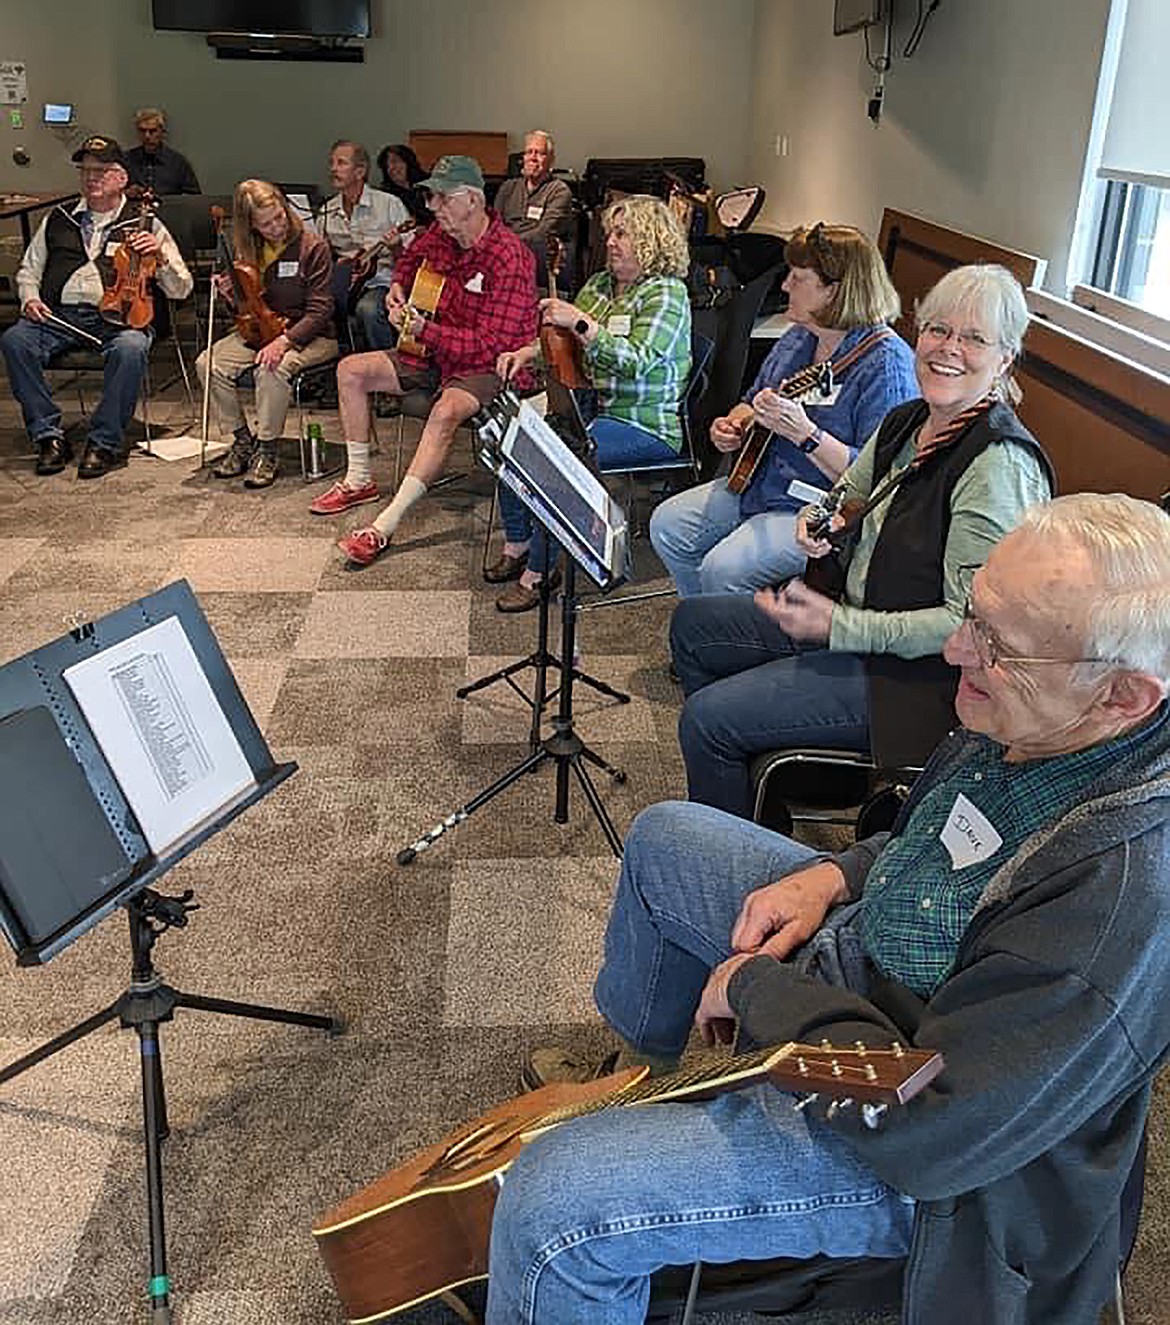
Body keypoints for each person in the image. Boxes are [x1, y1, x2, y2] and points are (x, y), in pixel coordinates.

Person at [489, 492, 1170, 1325]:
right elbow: (949, 844)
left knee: (557, 1202)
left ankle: (625, 1191)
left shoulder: (1117, 897)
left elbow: (926, 1125)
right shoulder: (1047, 713)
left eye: (996, 644)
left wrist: (754, 991)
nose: (958, 647)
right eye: (972, 617)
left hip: (930, 1153)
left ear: (1124, 696)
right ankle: (657, 1088)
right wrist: (838, 874)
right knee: (667, 839)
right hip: (869, 982)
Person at [672, 264, 1054, 819]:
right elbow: (846, 491)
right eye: (938, 330)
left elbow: (968, 625)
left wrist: (839, 625)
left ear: (1004, 360)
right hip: (853, 622)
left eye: (974, 338)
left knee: (707, 720)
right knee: (694, 627)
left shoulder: (997, 467)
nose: (949, 348)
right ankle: (778, 785)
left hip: (915, 681)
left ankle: (745, 846)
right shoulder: (910, 419)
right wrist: (815, 519)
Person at [649, 223, 918, 596]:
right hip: (762, 485)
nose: (785, 286)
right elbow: (754, 399)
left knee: (722, 568)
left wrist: (807, 435)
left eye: (798, 277)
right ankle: (708, 629)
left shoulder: (887, 366)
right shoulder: (800, 336)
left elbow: (881, 479)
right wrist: (732, 424)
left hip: (821, 511)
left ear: (834, 291)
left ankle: (726, 638)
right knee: (668, 524)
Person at [307, 155, 539, 566]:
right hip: (433, 350)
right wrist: (398, 284)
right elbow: (413, 259)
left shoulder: (510, 257)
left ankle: (384, 525)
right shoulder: (442, 233)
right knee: (350, 370)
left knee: (446, 409)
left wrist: (422, 331)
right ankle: (359, 479)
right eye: (431, 198)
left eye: (441, 198)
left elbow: (489, 345)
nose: (432, 207)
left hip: (489, 366)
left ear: (471, 200)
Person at [488, 194, 692, 612]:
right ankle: (519, 541)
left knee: (556, 458)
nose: (611, 243)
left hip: (642, 422)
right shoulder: (601, 283)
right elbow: (566, 347)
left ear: (652, 240)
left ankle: (543, 572)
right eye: (609, 234)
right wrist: (530, 352)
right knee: (511, 434)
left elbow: (637, 361)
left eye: (622, 234)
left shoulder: (667, 294)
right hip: (589, 407)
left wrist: (583, 323)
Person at [1, 134, 193, 480]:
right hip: (59, 316)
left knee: (132, 347)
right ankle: (47, 435)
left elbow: (182, 289)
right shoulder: (58, 218)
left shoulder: (145, 222)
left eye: (101, 171)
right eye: (86, 170)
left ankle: (104, 441)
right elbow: (29, 270)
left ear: (122, 178)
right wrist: (30, 298)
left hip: (118, 319)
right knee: (15, 341)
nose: (91, 178)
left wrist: (159, 258)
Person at [196, 179, 337, 489]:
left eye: (280, 217)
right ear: (252, 226)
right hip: (260, 329)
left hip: (310, 334)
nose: (277, 227)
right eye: (267, 224)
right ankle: (242, 440)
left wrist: (284, 342)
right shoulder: (247, 250)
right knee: (209, 363)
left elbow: (321, 311)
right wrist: (231, 296)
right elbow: (246, 309)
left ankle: (268, 449)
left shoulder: (313, 247)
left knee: (272, 368)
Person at [318, 140, 410, 351]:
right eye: (332, 163)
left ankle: (385, 368)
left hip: (381, 282)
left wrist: (396, 247)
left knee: (368, 309)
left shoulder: (389, 204)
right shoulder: (327, 210)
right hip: (344, 284)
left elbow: (411, 258)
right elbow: (319, 255)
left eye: (341, 163)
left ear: (360, 171)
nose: (333, 169)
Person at [494, 129, 575, 270]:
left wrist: (508, 244)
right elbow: (494, 225)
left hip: (536, 259)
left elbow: (544, 232)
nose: (533, 158)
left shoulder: (559, 191)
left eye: (540, 153)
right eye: (529, 152)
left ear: (551, 160)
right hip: (502, 256)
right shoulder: (508, 188)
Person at [123, 108, 201, 196]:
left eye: (152, 131)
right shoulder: (127, 160)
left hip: (168, 208)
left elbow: (193, 197)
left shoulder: (177, 163)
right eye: (142, 131)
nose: (147, 136)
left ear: (162, 132)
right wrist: (126, 193)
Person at [376, 142, 430, 225]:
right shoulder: (385, 195)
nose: (391, 168)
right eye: (386, 165)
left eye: (395, 161)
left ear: (408, 162)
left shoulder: (428, 184)